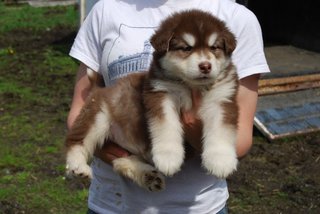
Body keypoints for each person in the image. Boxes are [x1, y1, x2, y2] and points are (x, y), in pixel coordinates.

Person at [67, 0, 270, 213]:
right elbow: (83, 105)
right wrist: (112, 152)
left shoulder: (236, 18)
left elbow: (240, 143)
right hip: (111, 205)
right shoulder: (106, 10)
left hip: (198, 208)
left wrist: (193, 124)